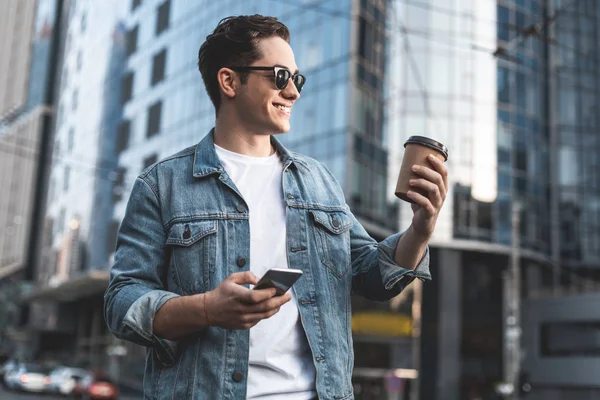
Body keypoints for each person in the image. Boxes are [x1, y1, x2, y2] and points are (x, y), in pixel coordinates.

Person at [104, 14, 448, 400]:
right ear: (229, 81)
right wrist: (206, 310)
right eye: (281, 76)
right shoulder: (161, 184)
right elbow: (122, 303)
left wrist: (420, 229)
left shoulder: (317, 180)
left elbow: (371, 274)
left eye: (297, 79)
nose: (294, 93)